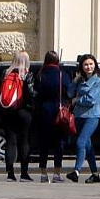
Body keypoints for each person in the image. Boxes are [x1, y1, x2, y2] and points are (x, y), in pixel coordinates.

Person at [33, 50, 72, 182]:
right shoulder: (62, 75)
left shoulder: (39, 74)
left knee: (43, 143)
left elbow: (36, 94)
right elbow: (69, 91)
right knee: (59, 143)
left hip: (43, 111)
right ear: (57, 61)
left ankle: (44, 174)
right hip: (58, 112)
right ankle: (57, 174)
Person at [1, 51, 35, 182]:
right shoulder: (27, 74)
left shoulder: (6, 73)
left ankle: (10, 174)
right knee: (24, 140)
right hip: (24, 111)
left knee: (10, 141)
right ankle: (24, 174)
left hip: (7, 110)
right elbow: (32, 94)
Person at [68, 53, 100, 183]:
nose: (88, 67)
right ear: (82, 66)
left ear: (95, 65)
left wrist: (77, 100)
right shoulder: (80, 80)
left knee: (80, 142)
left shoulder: (97, 80)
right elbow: (69, 93)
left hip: (92, 116)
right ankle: (95, 174)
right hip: (78, 116)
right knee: (88, 146)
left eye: (91, 64)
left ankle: (76, 171)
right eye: (86, 64)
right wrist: (74, 82)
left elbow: (91, 99)